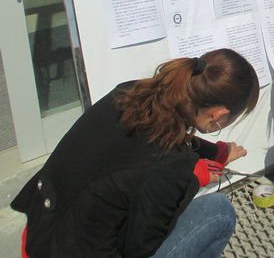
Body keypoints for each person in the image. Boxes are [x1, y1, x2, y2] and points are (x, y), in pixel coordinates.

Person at [11, 48, 259, 258]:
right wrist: (193, 180)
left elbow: (162, 137)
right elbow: (140, 248)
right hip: (70, 250)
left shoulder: (131, 92)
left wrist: (216, 152)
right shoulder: (171, 166)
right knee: (219, 211)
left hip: (41, 234)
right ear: (219, 115)